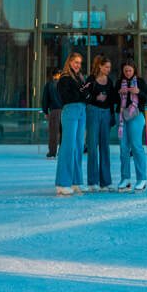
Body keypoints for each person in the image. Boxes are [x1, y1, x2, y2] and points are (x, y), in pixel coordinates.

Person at [54, 51, 88, 195]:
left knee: (79, 146)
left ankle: (76, 181)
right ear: (69, 62)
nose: (78, 65)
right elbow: (66, 97)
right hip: (70, 111)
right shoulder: (65, 78)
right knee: (68, 146)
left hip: (81, 110)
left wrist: (84, 93)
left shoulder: (80, 78)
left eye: (80, 63)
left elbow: (86, 95)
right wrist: (82, 93)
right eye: (76, 62)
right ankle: (62, 183)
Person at [115, 61, 147, 191]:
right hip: (122, 117)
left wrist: (138, 92)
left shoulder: (140, 82)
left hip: (136, 115)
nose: (128, 73)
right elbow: (113, 99)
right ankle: (125, 179)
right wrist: (119, 92)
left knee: (136, 146)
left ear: (134, 70)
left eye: (130, 70)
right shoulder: (119, 82)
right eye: (125, 71)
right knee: (124, 148)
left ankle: (142, 179)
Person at [84, 56, 117, 190]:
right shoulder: (91, 79)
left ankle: (106, 182)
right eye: (106, 67)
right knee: (92, 147)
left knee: (105, 147)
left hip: (106, 113)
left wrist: (112, 115)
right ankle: (93, 182)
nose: (109, 69)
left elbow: (112, 99)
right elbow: (84, 94)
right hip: (93, 111)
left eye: (110, 67)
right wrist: (95, 97)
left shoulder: (110, 81)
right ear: (100, 66)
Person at [41, 66, 64, 158]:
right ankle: (62, 151)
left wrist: (45, 111)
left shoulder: (49, 85)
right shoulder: (63, 85)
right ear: (59, 74)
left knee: (53, 133)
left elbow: (45, 99)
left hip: (54, 111)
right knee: (63, 132)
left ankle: (52, 152)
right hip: (64, 111)